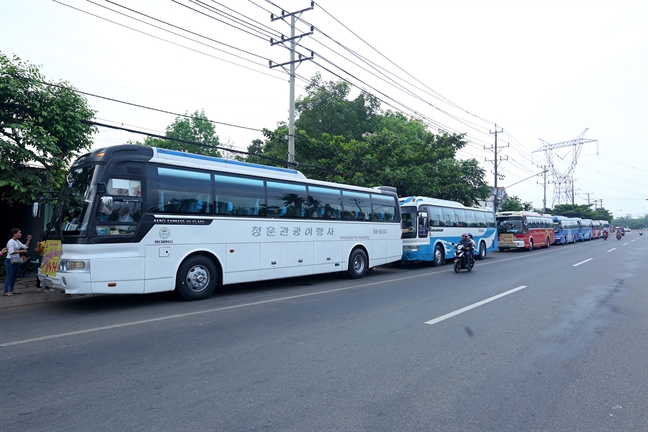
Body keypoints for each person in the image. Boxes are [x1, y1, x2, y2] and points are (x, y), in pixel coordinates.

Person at [4, 228, 32, 296]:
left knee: (13, 276)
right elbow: (11, 252)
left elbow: (25, 246)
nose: (20, 234)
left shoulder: (17, 241)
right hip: (10, 260)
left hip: (15, 260)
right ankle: (6, 291)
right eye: (19, 233)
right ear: (14, 234)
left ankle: (11, 290)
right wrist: (21, 251)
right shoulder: (11, 241)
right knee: (9, 276)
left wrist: (28, 240)